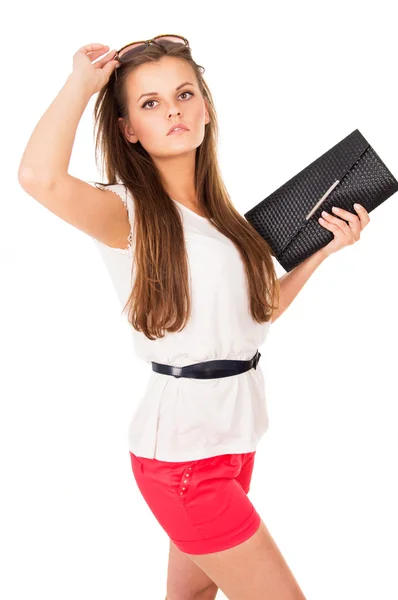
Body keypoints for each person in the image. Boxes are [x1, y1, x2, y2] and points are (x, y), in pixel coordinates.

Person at [18, 36, 307, 600]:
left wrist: (320, 253)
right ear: (128, 129)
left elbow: (257, 313)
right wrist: (82, 82)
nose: (173, 109)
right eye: (149, 103)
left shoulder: (224, 220)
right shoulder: (126, 212)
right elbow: (39, 178)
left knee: (193, 597)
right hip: (184, 461)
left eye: (183, 94)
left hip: (234, 441)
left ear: (204, 108)